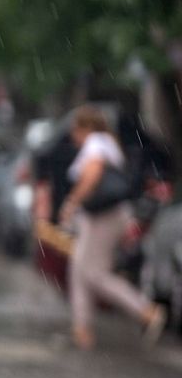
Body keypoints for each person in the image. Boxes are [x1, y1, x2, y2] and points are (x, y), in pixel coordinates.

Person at [57, 105, 166, 350]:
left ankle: (146, 311)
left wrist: (71, 203)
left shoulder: (96, 142)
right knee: (79, 271)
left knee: (94, 273)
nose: (73, 133)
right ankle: (81, 329)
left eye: (76, 127)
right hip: (101, 216)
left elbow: (92, 174)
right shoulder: (105, 142)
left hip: (103, 217)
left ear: (85, 127)